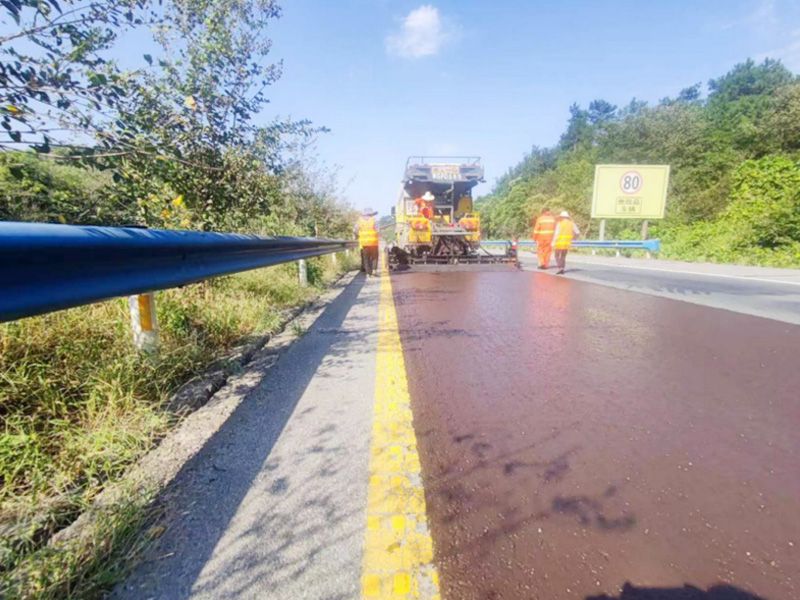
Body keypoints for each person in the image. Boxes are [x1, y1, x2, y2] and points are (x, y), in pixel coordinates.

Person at [552, 210, 580, 274]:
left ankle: (560, 267)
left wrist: (553, 242)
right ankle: (562, 268)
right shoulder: (572, 223)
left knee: (556, 255)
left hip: (559, 242)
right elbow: (577, 232)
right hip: (567, 243)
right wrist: (574, 238)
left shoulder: (560, 223)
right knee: (563, 256)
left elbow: (556, 234)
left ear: (562, 217)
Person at [355, 208, 379, 276]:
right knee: (375, 257)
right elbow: (378, 230)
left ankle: (368, 273)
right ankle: (374, 270)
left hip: (364, 243)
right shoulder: (374, 220)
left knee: (366, 258)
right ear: (371, 214)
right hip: (373, 243)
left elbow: (355, 231)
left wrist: (358, 236)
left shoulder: (359, 221)